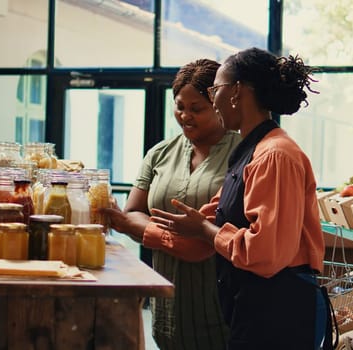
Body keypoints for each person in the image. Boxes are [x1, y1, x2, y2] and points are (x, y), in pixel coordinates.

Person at [148, 47, 334, 350]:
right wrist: (191, 225)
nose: (212, 100)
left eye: (214, 90)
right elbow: (216, 215)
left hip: (279, 313)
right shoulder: (251, 151)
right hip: (256, 308)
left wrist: (205, 231)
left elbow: (265, 253)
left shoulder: (275, 155)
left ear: (236, 92)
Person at [102, 58, 240, 350]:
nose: (185, 116)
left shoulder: (241, 153)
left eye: (196, 109)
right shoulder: (160, 153)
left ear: (218, 103)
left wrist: (151, 231)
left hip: (221, 308)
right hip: (166, 306)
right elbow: (132, 213)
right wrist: (175, 234)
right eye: (179, 106)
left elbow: (207, 240)